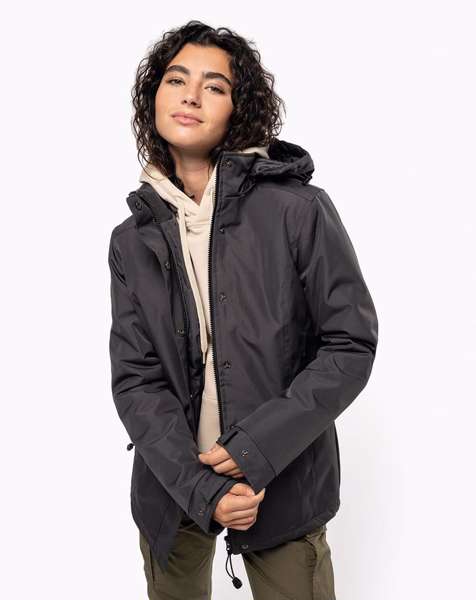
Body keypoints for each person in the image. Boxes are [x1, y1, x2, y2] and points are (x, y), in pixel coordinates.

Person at [108, 20, 378, 600]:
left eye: (214, 86)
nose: (190, 95)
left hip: (283, 483)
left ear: (239, 109)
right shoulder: (131, 239)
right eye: (176, 79)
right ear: (153, 96)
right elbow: (136, 378)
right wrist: (201, 488)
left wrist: (254, 449)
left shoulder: (297, 210)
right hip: (171, 484)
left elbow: (349, 345)